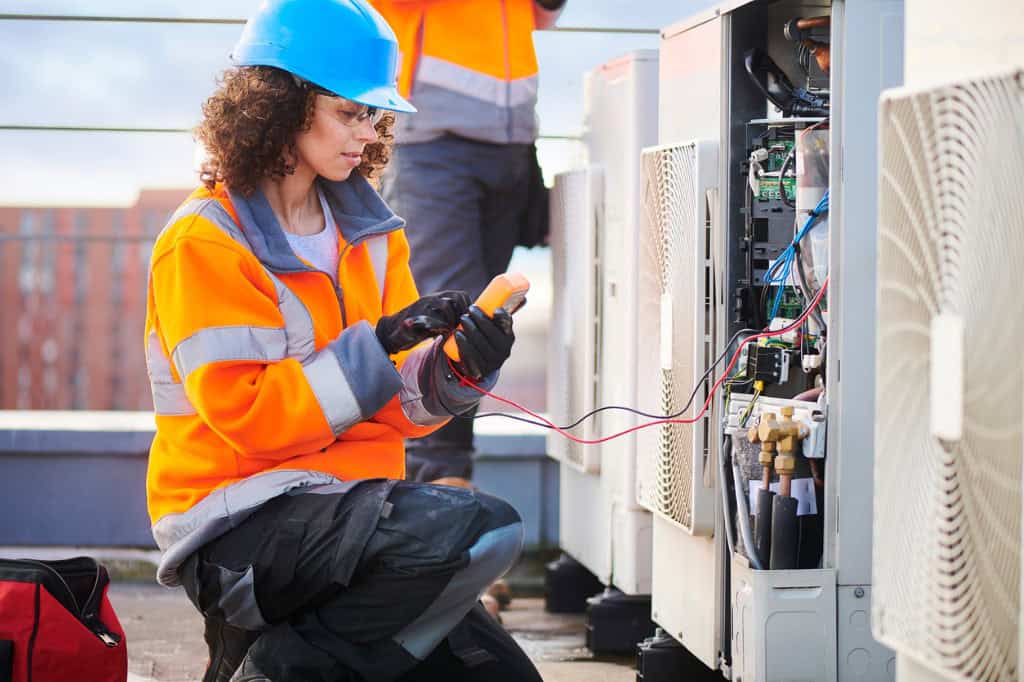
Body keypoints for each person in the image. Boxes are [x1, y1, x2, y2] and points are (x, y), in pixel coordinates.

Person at [142, 1, 540, 680]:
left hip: (353, 518)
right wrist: (375, 344)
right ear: (279, 104)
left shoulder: (371, 234)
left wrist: (457, 369)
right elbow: (254, 419)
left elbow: (398, 408)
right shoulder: (204, 241)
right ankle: (277, 668)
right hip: (240, 526)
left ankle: (282, 656)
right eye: (348, 111)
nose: (369, 131)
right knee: (483, 527)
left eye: (374, 114)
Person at [370, 0, 565, 489]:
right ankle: (439, 494)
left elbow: (540, 15)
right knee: (448, 313)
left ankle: (443, 498)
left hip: (512, 140)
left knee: (487, 316)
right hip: (432, 143)